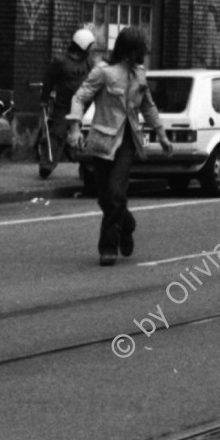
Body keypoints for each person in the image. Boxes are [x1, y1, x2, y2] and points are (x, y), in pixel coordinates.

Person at [66, 28, 173, 266]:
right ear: (128, 50)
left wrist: (162, 135)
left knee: (116, 192)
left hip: (127, 142)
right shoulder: (104, 72)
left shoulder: (140, 75)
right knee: (104, 197)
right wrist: (74, 129)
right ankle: (127, 224)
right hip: (103, 141)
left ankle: (108, 247)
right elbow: (79, 98)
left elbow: (148, 107)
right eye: (138, 50)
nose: (141, 55)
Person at [38, 27, 99, 180]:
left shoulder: (88, 62)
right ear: (83, 46)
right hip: (63, 106)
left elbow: (95, 79)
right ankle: (46, 165)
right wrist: (44, 99)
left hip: (82, 107)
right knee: (57, 134)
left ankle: (86, 167)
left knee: (82, 137)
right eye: (89, 46)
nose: (91, 50)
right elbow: (48, 80)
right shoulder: (60, 61)